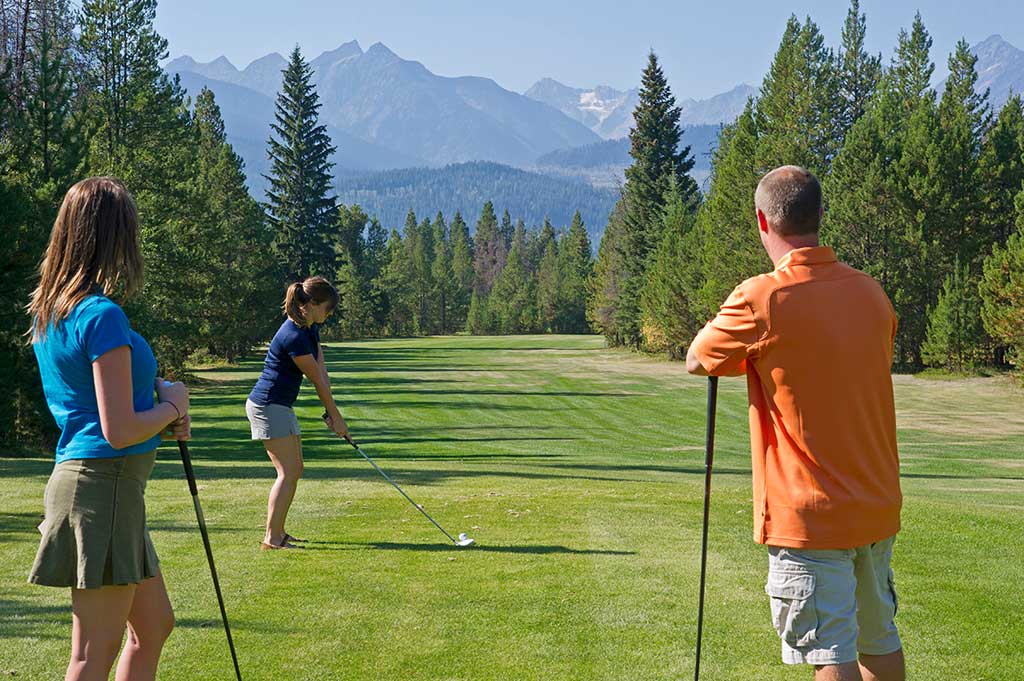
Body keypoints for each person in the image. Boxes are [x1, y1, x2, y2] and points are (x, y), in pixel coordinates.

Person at [686, 166, 905, 681]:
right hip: (875, 506)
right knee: (879, 640)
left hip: (810, 516)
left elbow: (699, 358)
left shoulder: (762, 297)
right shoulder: (871, 293)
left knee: (830, 653)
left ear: (763, 220)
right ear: (821, 216)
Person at [28, 177, 190, 681]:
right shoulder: (101, 315)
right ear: (111, 237)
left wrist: (158, 389)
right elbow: (117, 428)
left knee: (154, 626)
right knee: (91, 654)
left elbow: (99, 393)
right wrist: (173, 407)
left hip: (103, 488)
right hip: (105, 486)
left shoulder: (53, 312)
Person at [246, 276, 349, 549]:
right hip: (268, 405)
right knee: (287, 471)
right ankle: (272, 537)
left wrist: (334, 414)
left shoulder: (308, 328)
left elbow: (321, 369)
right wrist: (336, 417)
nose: (330, 313)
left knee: (295, 469)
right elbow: (316, 380)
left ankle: (278, 532)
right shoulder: (293, 335)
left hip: (280, 405)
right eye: (327, 307)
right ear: (312, 304)